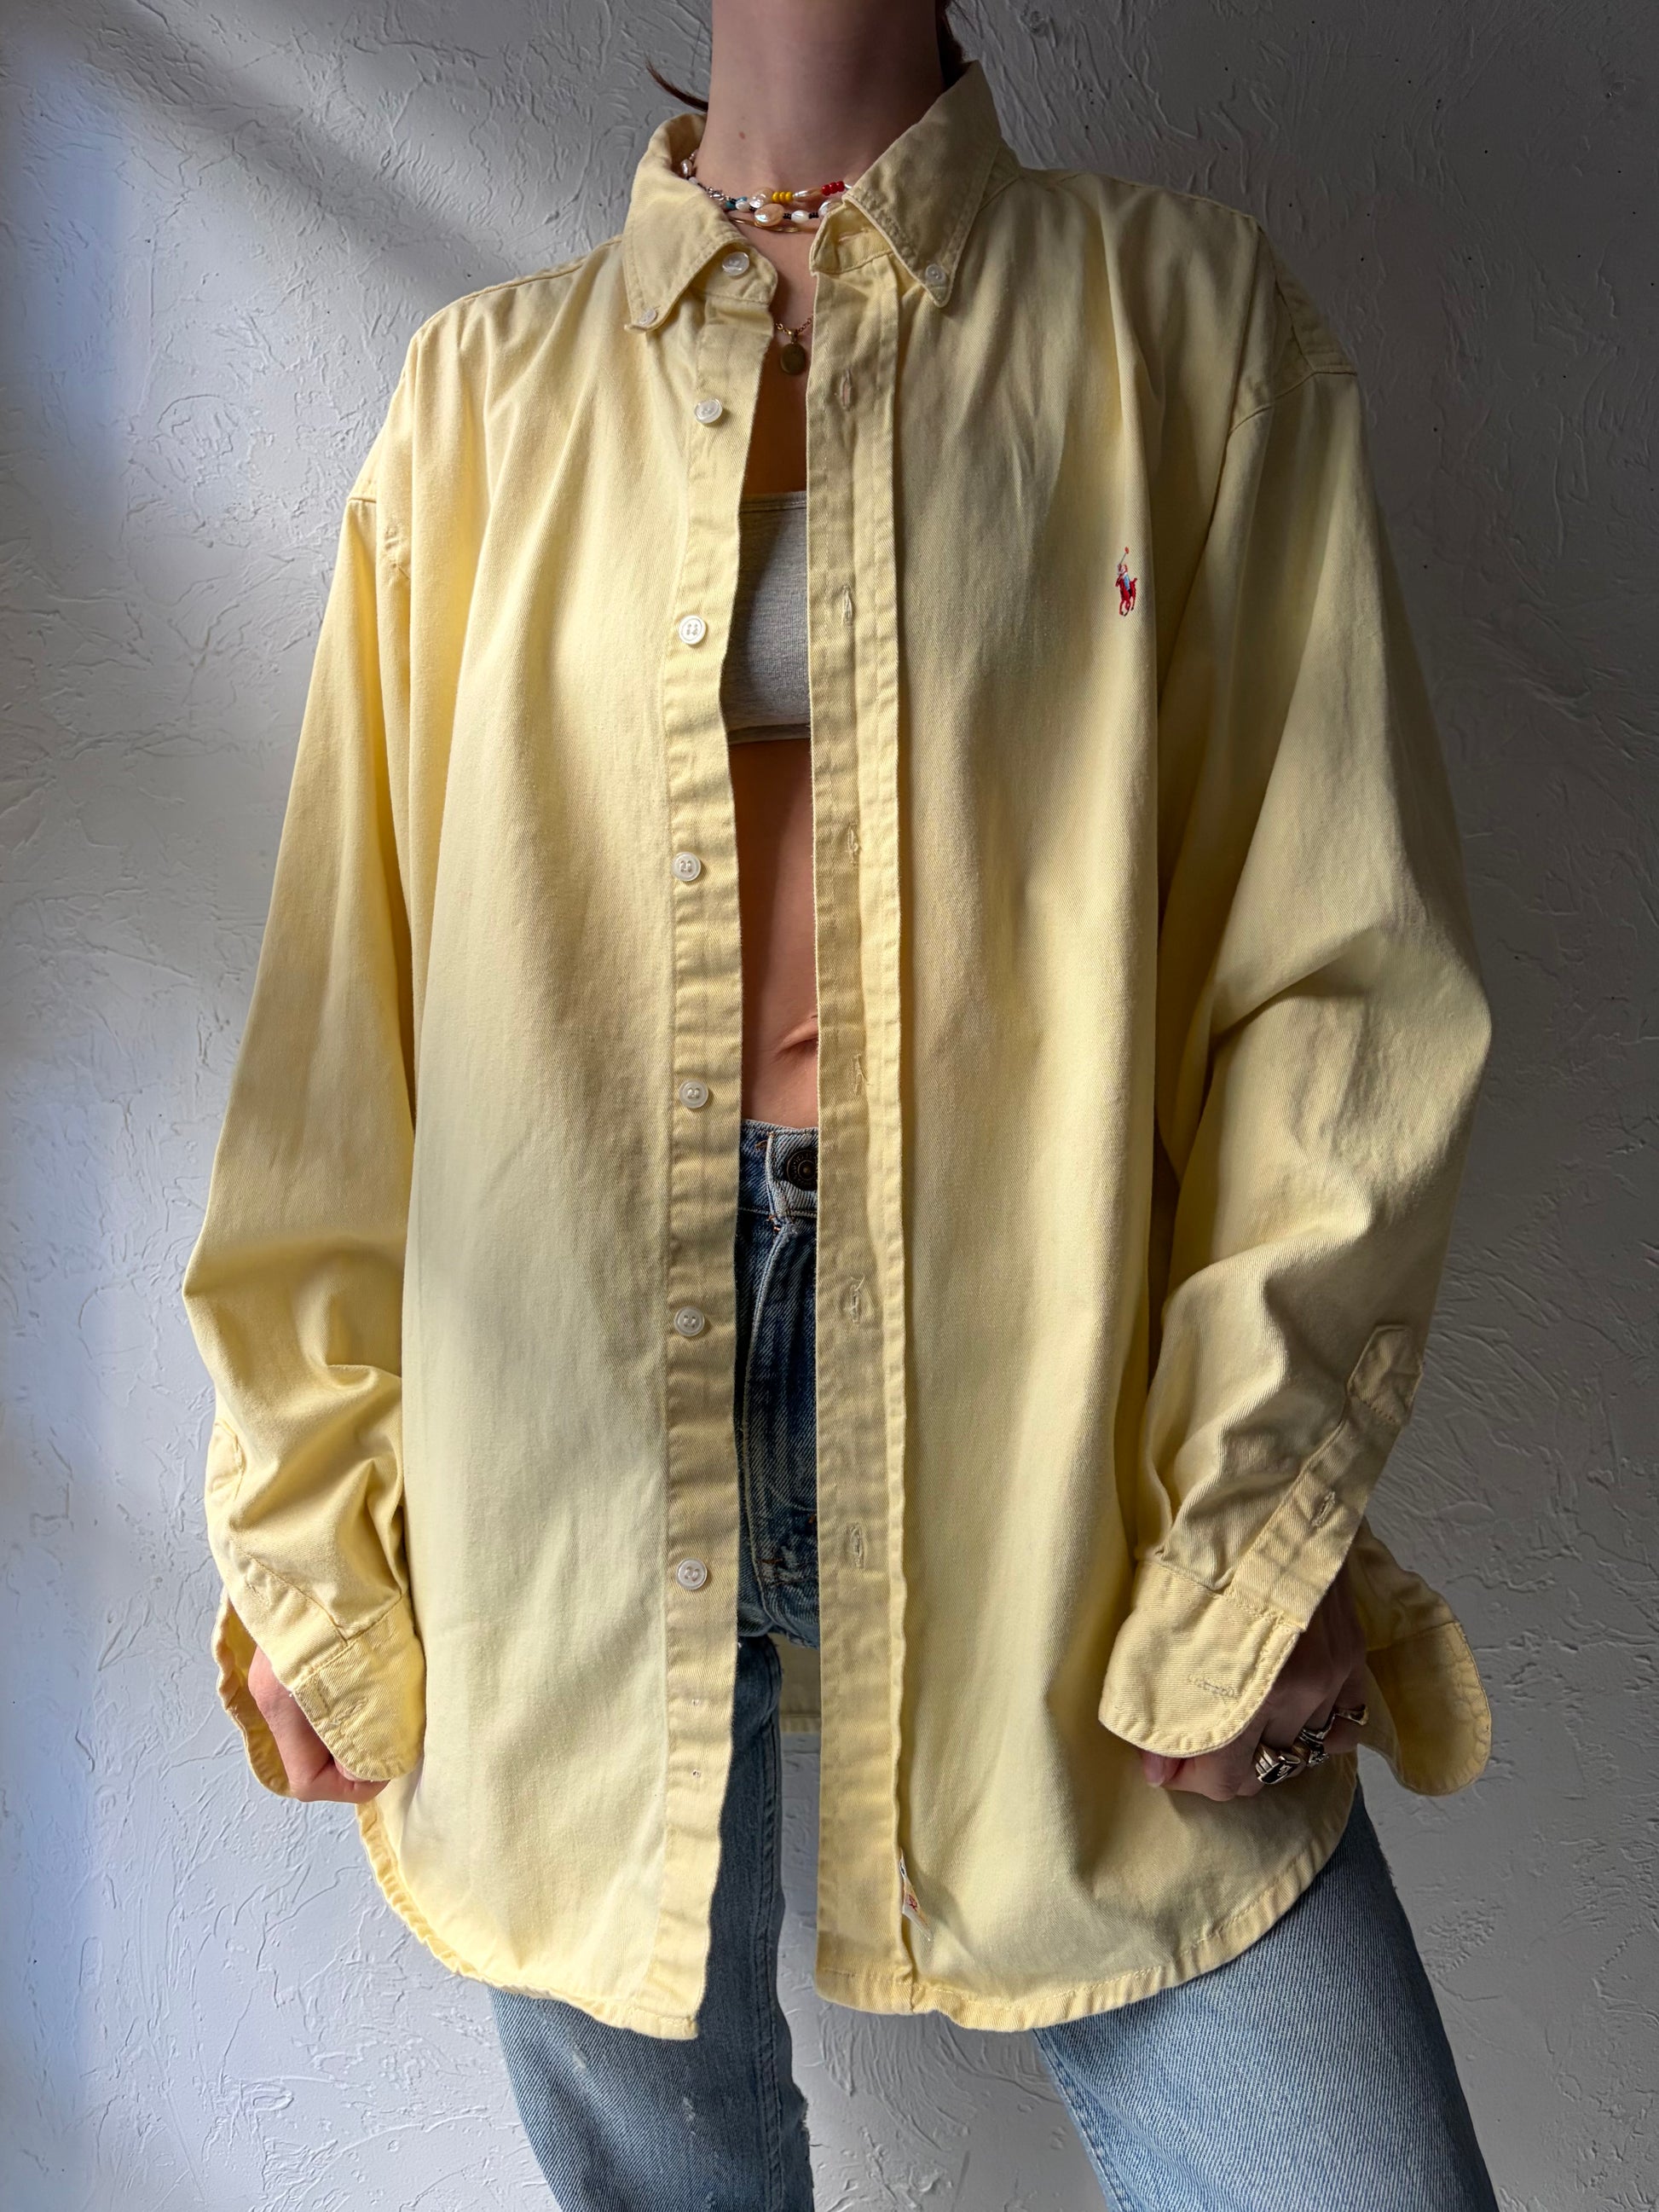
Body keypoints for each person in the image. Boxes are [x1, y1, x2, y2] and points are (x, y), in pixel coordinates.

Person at [180, 3, 1501, 2203]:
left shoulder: (1178, 326)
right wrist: (310, 1525)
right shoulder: (484, 396)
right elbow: (345, 1024)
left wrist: (1254, 1516)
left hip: (1053, 1397)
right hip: (557, 1427)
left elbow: (1334, 976)